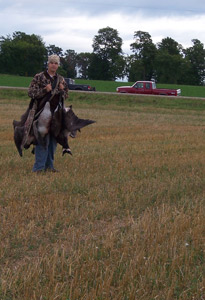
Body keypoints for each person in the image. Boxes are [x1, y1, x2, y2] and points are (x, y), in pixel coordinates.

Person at [28, 54, 68, 173]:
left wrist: (62, 90)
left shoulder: (61, 79)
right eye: (51, 62)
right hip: (42, 114)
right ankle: (38, 168)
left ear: (58, 65)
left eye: (56, 63)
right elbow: (31, 93)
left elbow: (66, 95)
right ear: (48, 64)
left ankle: (49, 167)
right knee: (42, 140)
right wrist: (45, 90)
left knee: (53, 141)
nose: (53, 65)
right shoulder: (39, 77)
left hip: (56, 115)